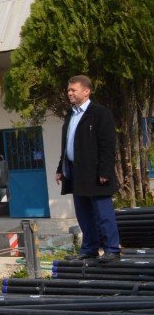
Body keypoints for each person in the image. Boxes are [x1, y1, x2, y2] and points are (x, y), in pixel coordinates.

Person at [55, 75, 121, 262]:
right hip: (75, 172)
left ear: (86, 91)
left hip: (96, 173)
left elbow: (107, 146)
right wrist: (61, 167)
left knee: (103, 212)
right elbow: (67, 144)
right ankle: (89, 250)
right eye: (68, 90)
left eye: (73, 90)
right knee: (83, 214)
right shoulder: (71, 115)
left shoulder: (100, 113)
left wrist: (105, 172)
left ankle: (112, 250)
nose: (69, 93)